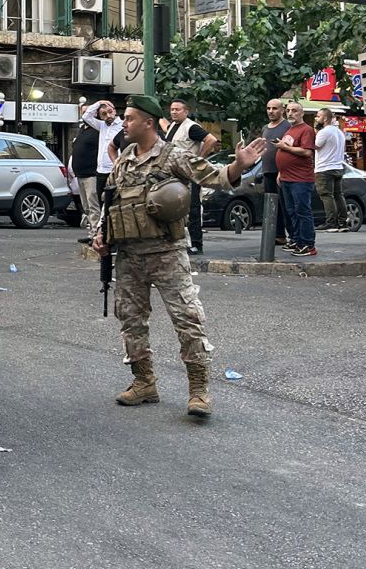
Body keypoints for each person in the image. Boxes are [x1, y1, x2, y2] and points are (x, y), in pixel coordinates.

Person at [92, 95, 265, 419]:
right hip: (129, 255)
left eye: (129, 118)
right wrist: (101, 234)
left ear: (147, 122)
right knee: (130, 320)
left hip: (166, 253)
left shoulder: (173, 156)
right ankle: (144, 383)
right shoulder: (125, 157)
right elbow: (110, 199)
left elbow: (213, 177)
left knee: (187, 320)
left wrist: (240, 165)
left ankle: (199, 391)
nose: (124, 123)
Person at [164, 98, 219, 255]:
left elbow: (211, 140)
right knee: (177, 209)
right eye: (172, 109)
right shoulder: (173, 126)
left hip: (189, 175)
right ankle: (180, 241)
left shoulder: (191, 127)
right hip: (175, 174)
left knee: (193, 209)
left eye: (177, 109)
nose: (174, 112)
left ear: (186, 111)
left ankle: (196, 244)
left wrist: (198, 159)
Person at [274, 102, 318, 256]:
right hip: (286, 177)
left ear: (302, 113)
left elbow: (307, 152)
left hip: (301, 179)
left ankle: (308, 244)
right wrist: (281, 171)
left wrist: (284, 147)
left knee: (302, 211)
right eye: (288, 111)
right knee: (291, 211)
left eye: (294, 111)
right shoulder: (290, 130)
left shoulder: (306, 130)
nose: (290, 113)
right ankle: (296, 240)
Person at [261, 99, 292, 245]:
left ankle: (293, 236)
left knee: (286, 205)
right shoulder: (265, 128)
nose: (271, 111)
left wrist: (283, 169)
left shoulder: (288, 126)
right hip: (267, 171)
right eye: (268, 108)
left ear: (282, 110)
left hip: (283, 172)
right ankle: (279, 235)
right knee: (272, 205)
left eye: (274, 108)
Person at [314, 109, 349, 232]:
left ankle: (331, 223)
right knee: (338, 195)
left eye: (318, 116)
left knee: (326, 195)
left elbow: (315, 146)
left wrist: (316, 132)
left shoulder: (324, 132)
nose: (316, 119)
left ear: (325, 119)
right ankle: (342, 222)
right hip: (338, 166)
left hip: (324, 167)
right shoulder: (339, 132)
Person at [82, 99, 124, 203]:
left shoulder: (122, 125)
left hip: (114, 170)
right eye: (104, 114)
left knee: (114, 200)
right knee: (101, 200)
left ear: (114, 111)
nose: (108, 116)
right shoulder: (101, 125)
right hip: (101, 170)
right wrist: (99, 102)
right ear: (100, 116)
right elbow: (86, 116)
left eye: (110, 112)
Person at [72, 104, 101, 229]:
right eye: (82, 112)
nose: (84, 115)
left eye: (87, 112)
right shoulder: (83, 129)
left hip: (91, 174)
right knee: (87, 207)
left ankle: (96, 233)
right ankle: (92, 231)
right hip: (80, 174)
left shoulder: (99, 129)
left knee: (93, 205)